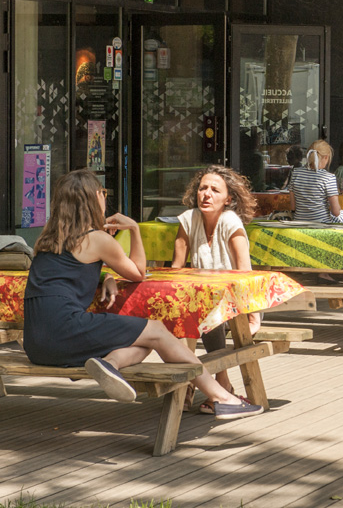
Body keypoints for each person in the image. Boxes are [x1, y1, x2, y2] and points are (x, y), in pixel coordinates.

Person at [22, 169, 261, 419]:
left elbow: (70, 271)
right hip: (66, 330)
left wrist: (106, 276)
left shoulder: (46, 240)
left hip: (36, 343)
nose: (105, 198)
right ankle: (223, 398)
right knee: (156, 330)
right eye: (103, 193)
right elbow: (138, 273)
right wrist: (134, 229)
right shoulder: (98, 239)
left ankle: (109, 364)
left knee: (144, 337)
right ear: (95, 198)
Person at [172, 165, 262, 413]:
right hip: (203, 302)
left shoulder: (230, 221)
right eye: (202, 188)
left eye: (214, 190)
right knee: (185, 313)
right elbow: (176, 271)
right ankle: (210, 387)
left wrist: (254, 319)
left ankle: (204, 386)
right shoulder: (188, 220)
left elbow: (246, 276)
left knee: (203, 313)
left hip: (239, 302)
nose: (206, 194)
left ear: (228, 198)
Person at [288, 140, 343, 223]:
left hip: (299, 222)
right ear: (326, 157)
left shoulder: (296, 173)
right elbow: (336, 212)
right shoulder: (328, 177)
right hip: (322, 224)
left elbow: (293, 207)